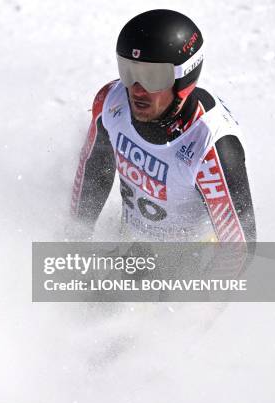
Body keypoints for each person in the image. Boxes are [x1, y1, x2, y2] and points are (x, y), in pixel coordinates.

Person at [70, 9, 256, 243]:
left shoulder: (211, 146)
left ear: (184, 78)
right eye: (129, 71)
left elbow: (241, 248)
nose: (137, 89)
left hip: (193, 265)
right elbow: (94, 170)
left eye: (153, 77)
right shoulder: (110, 101)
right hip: (132, 247)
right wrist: (73, 241)